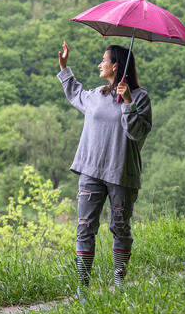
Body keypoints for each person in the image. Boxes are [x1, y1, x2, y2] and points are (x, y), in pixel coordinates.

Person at [57, 41, 152, 292]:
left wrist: (128, 102)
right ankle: (82, 287)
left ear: (116, 66)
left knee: (120, 227)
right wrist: (65, 69)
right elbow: (75, 94)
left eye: (104, 60)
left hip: (121, 173)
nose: (100, 64)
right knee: (85, 227)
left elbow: (138, 133)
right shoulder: (97, 94)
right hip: (90, 172)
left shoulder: (141, 98)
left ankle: (119, 281)